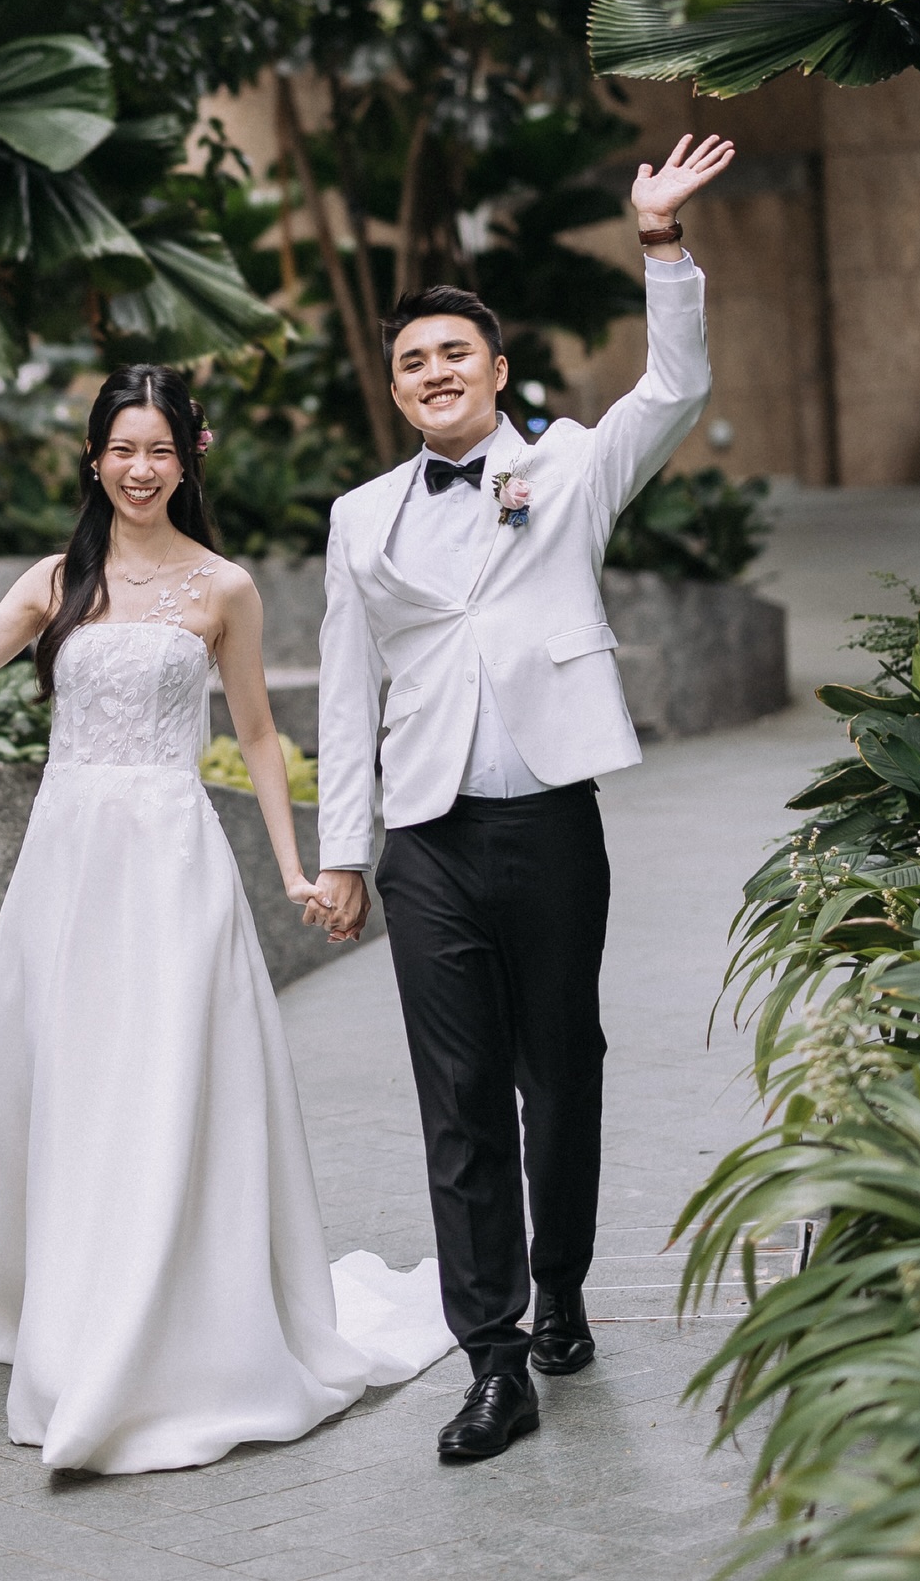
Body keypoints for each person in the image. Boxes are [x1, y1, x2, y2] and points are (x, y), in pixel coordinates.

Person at [0, 364, 452, 1473]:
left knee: (167, 1077)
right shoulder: (54, 582)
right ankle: (70, 1300)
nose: (142, 468)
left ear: (189, 458)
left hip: (174, 861)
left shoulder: (223, 588)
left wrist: (298, 865)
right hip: (68, 867)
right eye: (123, 449)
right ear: (94, 459)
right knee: (70, 1082)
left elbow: (262, 736)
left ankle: (165, 1319)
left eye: (161, 450)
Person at [307, 133, 735, 1460]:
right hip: (425, 839)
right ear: (396, 390)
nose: (434, 374)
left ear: (495, 371)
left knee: (565, 1069)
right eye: (412, 363)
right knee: (459, 1093)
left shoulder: (568, 471)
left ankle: (560, 1291)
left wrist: (661, 241)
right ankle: (493, 1357)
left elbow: (675, 384)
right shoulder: (360, 516)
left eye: (455, 356)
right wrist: (343, 854)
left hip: (548, 817)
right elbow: (342, 687)